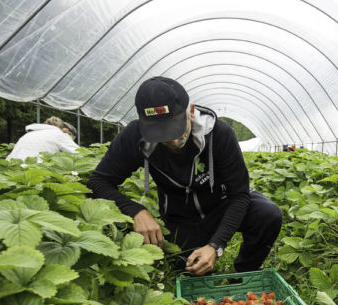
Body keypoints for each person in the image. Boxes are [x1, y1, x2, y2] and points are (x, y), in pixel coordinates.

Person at [87, 76, 283, 276]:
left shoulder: (219, 134)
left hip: (219, 205)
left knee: (267, 214)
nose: (173, 140)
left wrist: (215, 245)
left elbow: (239, 195)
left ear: (190, 111)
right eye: (161, 132)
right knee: (192, 270)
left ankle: (245, 273)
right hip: (180, 217)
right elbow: (97, 182)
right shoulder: (135, 137)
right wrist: (135, 211)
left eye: (175, 127)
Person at [6, 116, 80, 161]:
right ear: (64, 130)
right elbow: (79, 154)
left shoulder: (29, 134)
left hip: (10, 166)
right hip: (31, 168)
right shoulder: (58, 134)